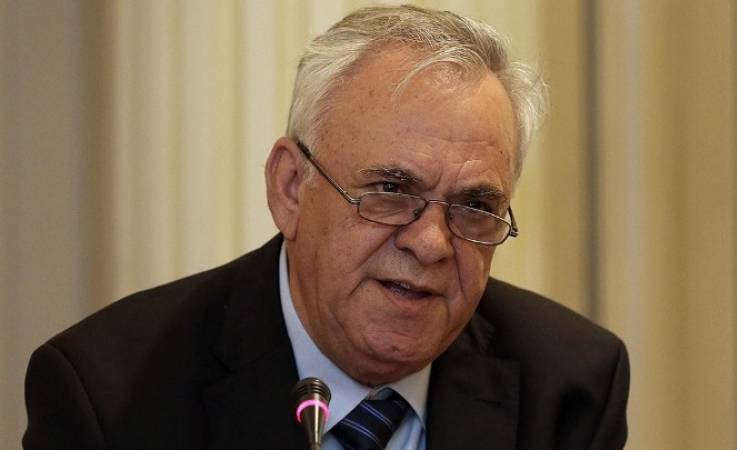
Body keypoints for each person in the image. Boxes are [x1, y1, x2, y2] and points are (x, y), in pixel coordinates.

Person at [23, 5, 628, 450]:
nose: (431, 243)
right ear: (290, 187)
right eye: (391, 191)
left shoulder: (569, 387)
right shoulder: (110, 398)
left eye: (474, 206)